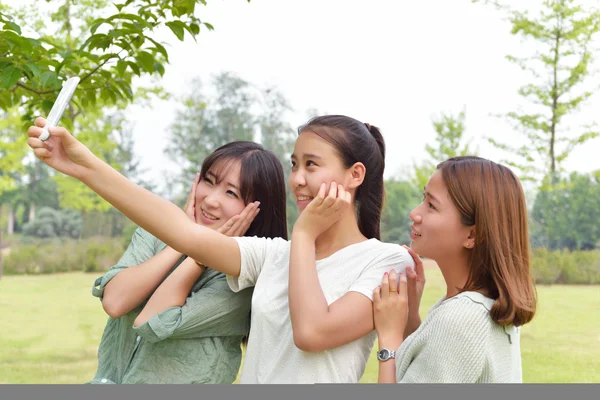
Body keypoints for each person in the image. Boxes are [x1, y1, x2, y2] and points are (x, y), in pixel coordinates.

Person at [27, 115, 414, 383]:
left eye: (311, 165)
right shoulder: (275, 254)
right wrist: (81, 164)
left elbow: (311, 332)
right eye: (294, 164)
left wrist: (306, 234)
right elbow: (184, 232)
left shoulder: (386, 261)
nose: (297, 179)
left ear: (355, 174)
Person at [89, 141, 288, 383]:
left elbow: (153, 322)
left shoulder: (241, 281)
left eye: (231, 193)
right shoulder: (155, 234)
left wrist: (197, 256)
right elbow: (115, 301)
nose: (211, 200)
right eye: (209, 181)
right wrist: (180, 240)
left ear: (256, 210)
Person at [372, 156, 537, 383]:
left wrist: (389, 339)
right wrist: (411, 319)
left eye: (431, 205)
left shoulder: (459, 320)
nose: (414, 213)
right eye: (423, 199)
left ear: (472, 235)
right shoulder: (484, 308)